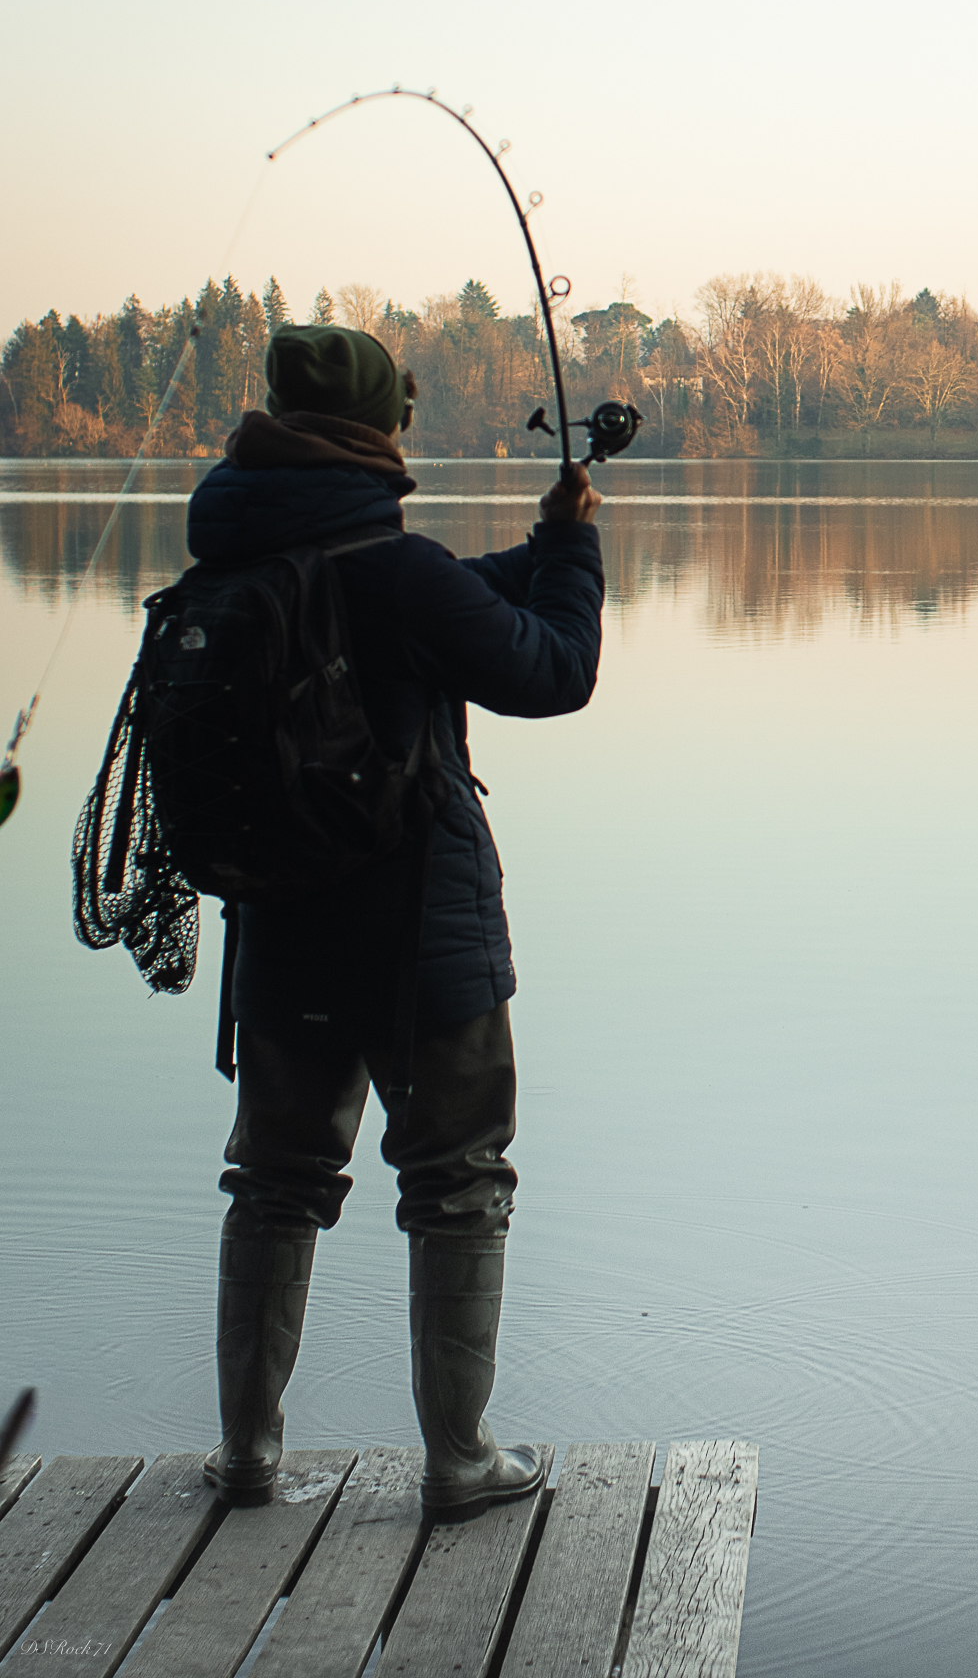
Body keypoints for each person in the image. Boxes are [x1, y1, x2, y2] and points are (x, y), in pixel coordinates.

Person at [186, 323, 603, 1516]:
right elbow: (551, 669)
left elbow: (441, 603)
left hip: (278, 929)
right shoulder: (389, 569)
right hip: (423, 933)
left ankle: (247, 1454)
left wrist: (541, 544)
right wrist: (576, 558)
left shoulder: (238, 559)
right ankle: (460, 1460)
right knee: (458, 1180)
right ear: (378, 430)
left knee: (273, 1179)